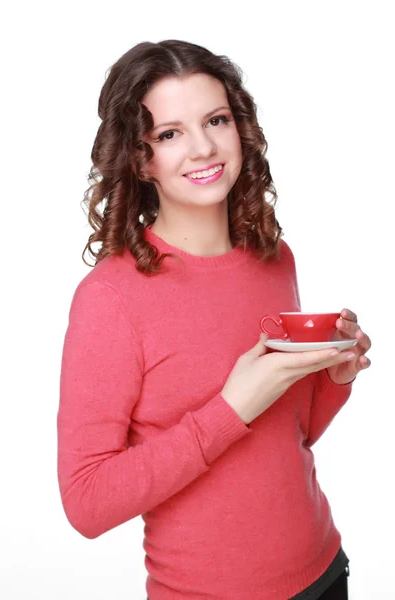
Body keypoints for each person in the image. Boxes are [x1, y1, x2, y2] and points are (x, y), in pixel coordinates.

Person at [57, 39, 372, 600]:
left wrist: (334, 376)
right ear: (139, 156)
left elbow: (288, 439)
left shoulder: (274, 257)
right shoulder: (111, 298)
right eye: (170, 133)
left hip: (325, 571)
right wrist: (230, 407)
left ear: (240, 130)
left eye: (216, 120)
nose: (202, 148)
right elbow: (87, 502)